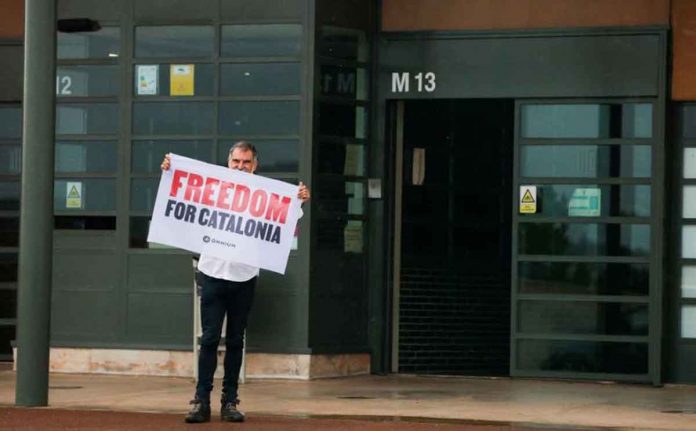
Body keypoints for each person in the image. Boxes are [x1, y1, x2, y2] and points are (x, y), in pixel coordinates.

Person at [160, 141, 310, 423]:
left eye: (246, 162)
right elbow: (181, 193)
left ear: (255, 165)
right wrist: (169, 171)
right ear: (228, 163)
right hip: (212, 272)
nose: (241, 166)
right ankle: (201, 401)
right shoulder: (212, 189)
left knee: (235, 340)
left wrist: (299, 198)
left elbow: (287, 221)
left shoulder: (265, 195)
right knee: (209, 338)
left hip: (244, 275)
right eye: (236, 161)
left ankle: (230, 400)